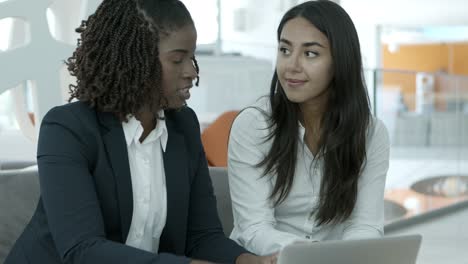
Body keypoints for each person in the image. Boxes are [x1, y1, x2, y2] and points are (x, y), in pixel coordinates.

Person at [5, 0, 275, 263]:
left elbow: (201, 237)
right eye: (178, 59)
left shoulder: (184, 126)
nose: (192, 71)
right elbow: (82, 250)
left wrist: (248, 260)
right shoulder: (67, 129)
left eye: (192, 57)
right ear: (134, 59)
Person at [228, 0, 390, 256]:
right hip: (267, 260)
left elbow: (365, 225)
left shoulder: (370, 133)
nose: (291, 65)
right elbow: (254, 228)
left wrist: (343, 257)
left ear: (340, 61)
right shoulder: (254, 125)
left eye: (310, 53)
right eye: (284, 50)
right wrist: (315, 255)